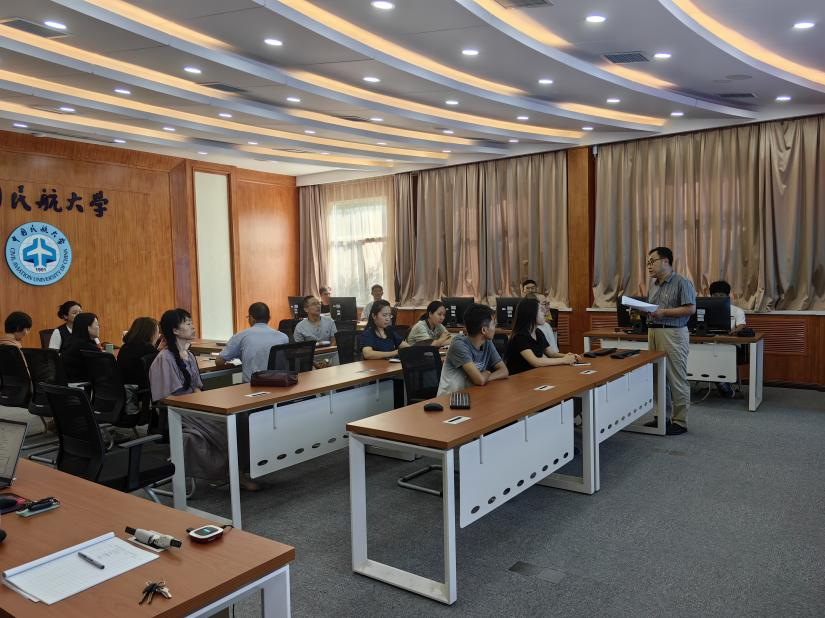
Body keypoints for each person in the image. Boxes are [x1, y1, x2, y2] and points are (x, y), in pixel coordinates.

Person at [150, 308, 259, 491]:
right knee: (227, 426)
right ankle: (235, 473)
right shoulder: (165, 358)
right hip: (180, 412)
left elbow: (197, 387)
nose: (193, 327)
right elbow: (166, 397)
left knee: (240, 419)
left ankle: (238, 470)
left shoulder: (189, 355)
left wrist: (205, 403)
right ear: (175, 330)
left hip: (196, 407)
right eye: (187, 323)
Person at [645, 247, 696, 435]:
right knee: (657, 377)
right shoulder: (653, 285)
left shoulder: (682, 282)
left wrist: (663, 312)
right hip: (653, 332)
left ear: (666, 261)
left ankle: (680, 421)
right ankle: (661, 417)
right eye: (647, 263)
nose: (649, 266)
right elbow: (653, 310)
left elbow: (690, 309)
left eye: (652, 261)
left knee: (676, 377)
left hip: (673, 333)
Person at [437, 303, 508, 395]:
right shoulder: (459, 345)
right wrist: (486, 373)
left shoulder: (487, 343)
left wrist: (486, 376)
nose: (495, 327)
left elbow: (504, 371)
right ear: (484, 330)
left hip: (473, 394)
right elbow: (479, 380)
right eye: (493, 324)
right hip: (451, 399)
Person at [216, 302, 289, 382]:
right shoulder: (283, 337)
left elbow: (219, 361)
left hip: (252, 386)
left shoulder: (241, 336)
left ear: (251, 318)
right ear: (269, 318)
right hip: (278, 384)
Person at [505, 298, 579, 375]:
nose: (545, 314)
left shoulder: (538, 332)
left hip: (533, 375)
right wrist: (564, 360)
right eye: (541, 310)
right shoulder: (520, 336)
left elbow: (552, 354)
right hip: (518, 378)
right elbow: (535, 362)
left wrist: (569, 356)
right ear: (531, 314)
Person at [709, 280, 747, 398]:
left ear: (727, 296)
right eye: (714, 295)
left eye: (721, 295)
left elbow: (741, 325)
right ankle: (722, 383)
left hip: (731, 346)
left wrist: (735, 330)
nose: (717, 298)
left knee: (717, 355)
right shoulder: (706, 310)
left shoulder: (737, 310)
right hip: (710, 345)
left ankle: (722, 384)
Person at [118, 317, 160, 389]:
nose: (158, 336)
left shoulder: (124, 347)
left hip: (124, 389)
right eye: (157, 333)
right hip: (141, 390)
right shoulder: (148, 350)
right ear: (150, 334)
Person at [61, 312, 101, 381]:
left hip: (67, 383)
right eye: (97, 324)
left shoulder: (70, 341)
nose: (99, 327)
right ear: (88, 327)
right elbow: (103, 368)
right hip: (81, 383)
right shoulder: (87, 346)